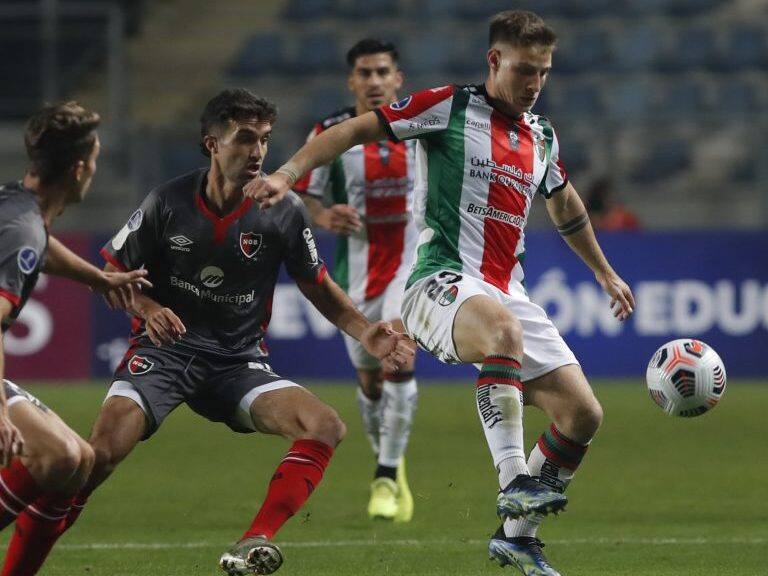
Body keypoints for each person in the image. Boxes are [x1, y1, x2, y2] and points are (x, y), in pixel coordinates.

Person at [243, 11, 636, 576]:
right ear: (494, 61)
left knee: (583, 414)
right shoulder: (448, 106)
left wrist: (603, 271)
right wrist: (285, 173)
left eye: (544, 73)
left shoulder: (540, 135)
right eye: (525, 70)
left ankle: (517, 537)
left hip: (505, 290)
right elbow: (352, 130)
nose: (534, 84)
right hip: (436, 283)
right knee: (503, 331)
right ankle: (513, 481)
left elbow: (565, 202)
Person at [55, 89, 413, 576]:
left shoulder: (283, 211)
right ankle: (32, 537)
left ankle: (254, 541)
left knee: (325, 425)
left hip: (237, 364)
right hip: (164, 354)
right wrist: (150, 305)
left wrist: (367, 332)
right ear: (212, 144)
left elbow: (319, 286)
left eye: (265, 140)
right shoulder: (167, 201)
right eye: (245, 139)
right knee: (99, 456)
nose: (259, 152)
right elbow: (111, 275)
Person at [0, 101, 150, 576]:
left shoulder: (17, 205)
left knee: (77, 459)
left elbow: (43, 246)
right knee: (58, 455)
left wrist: (99, 280)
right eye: (96, 159)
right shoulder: (22, 229)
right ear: (80, 168)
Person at [293, 38, 418, 522]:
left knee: (398, 357)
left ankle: (385, 472)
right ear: (352, 81)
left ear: (397, 78)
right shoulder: (329, 131)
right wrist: (324, 217)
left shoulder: (422, 126)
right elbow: (302, 196)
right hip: (357, 272)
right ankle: (392, 457)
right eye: (364, 73)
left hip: (413, 267)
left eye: (382, 71)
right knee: (369, 383)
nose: (373, 81)